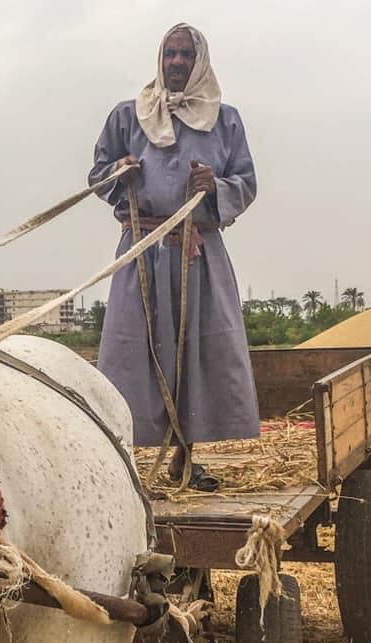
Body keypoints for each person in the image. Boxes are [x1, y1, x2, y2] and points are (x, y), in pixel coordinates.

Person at [88, 23, 258, 491]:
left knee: (195, 349)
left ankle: (185, 457)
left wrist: (214, 187)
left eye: (186, 55)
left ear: (199, 61)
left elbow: (246, 183)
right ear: (160, 60)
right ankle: (125, 463)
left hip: (197, 253)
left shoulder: (226, 120)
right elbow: (97, 174)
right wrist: (117, 172)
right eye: (170, 54)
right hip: (141, 252)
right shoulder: (127, 116)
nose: (177, 63)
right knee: (129, 350)